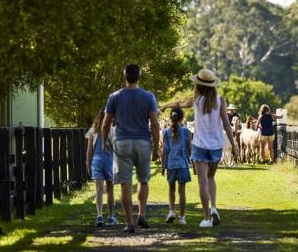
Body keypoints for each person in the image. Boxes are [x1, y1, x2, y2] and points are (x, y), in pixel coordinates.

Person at [160, 68, 239, 228]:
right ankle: (214, 207)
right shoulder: (220, 101)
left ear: (199, 85)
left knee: (202, 181)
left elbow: (179, 104)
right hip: (216, 146)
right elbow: (226, 124)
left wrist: (165, 106)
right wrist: (234, 144)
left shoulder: (196, 99)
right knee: (211, 178)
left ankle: (207, 218)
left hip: (200, 145)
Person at [102, 64, 160, 234]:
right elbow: (155, 125)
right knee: (143, 180)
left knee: (125, 184)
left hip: (122, 143)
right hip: (143, 143)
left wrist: (105, 141)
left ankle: (129, 223)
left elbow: (106, 124)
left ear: (124, 76)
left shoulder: (114, 97)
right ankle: (142, 214)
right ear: (139, 76)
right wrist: (157, 148)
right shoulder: (149, 97)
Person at [161, 108, 192, 225]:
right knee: (182, 191)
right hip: (183, 165)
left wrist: (163, 167)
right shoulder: (187, 132)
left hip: (171, 164)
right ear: (181, 118)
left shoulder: (165, 132)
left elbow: (165, 151)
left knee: (171, 190)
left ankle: (172, 211)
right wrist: (194, 164)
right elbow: (190, 150)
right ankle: (182, 217)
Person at [86, 110, 116, 226]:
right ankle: (111, 216)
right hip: (109, 162)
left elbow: (89, 151)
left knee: (99, 190)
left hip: (96, 162)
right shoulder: (112, 130)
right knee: (110, 191)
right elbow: (116, 149)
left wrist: (88, 163)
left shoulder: (93, 131)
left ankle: (99, 216)